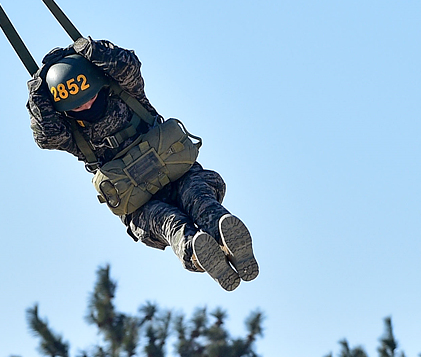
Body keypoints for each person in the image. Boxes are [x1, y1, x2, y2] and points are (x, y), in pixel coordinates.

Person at [26, 36, 259, 291]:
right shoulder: (74, 134)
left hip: (180, 177)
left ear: (97, 83)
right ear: (65, 108)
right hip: (142, 206)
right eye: (77, 105)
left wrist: (90, 49)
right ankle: (198, 251)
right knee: (170, 223)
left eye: (89, 96)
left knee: (199, 198)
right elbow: (46, 135)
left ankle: (226, 235)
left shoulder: (126, 93)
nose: (86, 105)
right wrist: (38, 91)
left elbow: (128, 64)